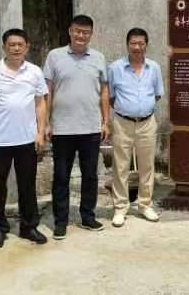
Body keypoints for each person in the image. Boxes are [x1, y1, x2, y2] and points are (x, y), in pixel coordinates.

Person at [0, 28, 49, 249]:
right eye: (11, 44)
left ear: (27, 47)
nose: (16, 48)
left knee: (27, 185)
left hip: (27, 139)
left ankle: (29, 227)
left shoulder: (34, 72)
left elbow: (40, 103)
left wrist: (41, 132)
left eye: (20, 44)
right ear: (4, 47)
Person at [43, 14, 110, 239]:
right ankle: (60, 221)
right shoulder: (55, 56)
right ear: (70, 31)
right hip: (62, 128)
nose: (81, 35)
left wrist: (106, 121)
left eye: (86, 32)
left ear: (91, 34)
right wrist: (46, 122)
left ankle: (88, 216)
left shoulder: (99, 58)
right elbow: (48, 90)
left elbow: (104, 92)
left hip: (91, 127)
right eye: (78, 31)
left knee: (90, 175)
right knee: (61, 176)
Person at [107, 27, 165, 228]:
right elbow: (111, 97)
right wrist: (128, 109)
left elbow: (157, 94)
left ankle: (145, 204)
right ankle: (120, 208)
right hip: (122, 123)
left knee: (147, 165)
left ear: (146, 45)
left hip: (147, 123)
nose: (137, 47)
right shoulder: (115, 68)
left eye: (141, 43)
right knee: (120, 166)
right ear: (127, 45)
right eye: (133, 43)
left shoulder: (154, 67)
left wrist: (142, 109)